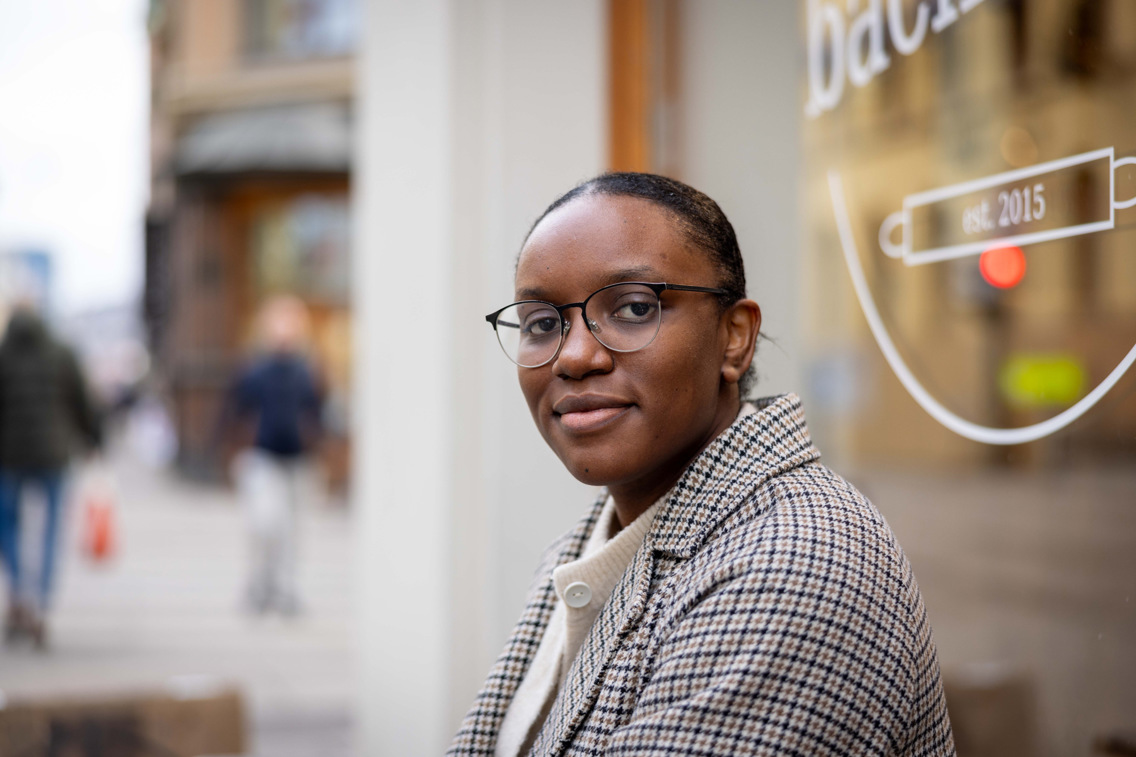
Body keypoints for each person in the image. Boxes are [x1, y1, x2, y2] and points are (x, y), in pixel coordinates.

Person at [449, 173, 955, 756]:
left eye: (634, 308)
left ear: (734, 337)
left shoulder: (796, 560)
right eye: (542, 324)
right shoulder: (585, 549)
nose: (575, 355)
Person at [0, 305, 102, 648]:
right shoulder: (61, 352)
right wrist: (93, 440)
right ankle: (41, 601)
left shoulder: (3, 354)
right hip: (54, 453)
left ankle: (19, 590)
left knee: (9, 526)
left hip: (9, 456)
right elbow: (83, 401)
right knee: (50, 529)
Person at [224, 296, 322, 616]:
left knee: (291, 532)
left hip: (297, 460)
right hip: (263, 458)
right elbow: (233, 412)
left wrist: (316, 443)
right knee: (265, 525)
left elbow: (317, 411)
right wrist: (234, 449)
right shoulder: (255, 370)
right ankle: (260, 585)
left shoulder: (307, 371)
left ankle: (286, 590)